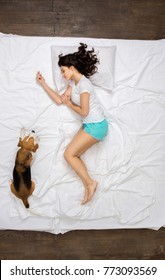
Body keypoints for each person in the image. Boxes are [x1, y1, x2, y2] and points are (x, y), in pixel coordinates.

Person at [36, 43, 108, 204]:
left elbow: (84, 112)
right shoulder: (73, 84)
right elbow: (59, 100)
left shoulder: (84, 85)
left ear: (72, 67)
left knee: (69, 155)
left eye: (63, 70)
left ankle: (90, 183)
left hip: (97, 126)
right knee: (72, 155)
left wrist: (70, 105)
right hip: (90, 125)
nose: (62, 74)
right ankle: (89, 184)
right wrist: (43, 83)